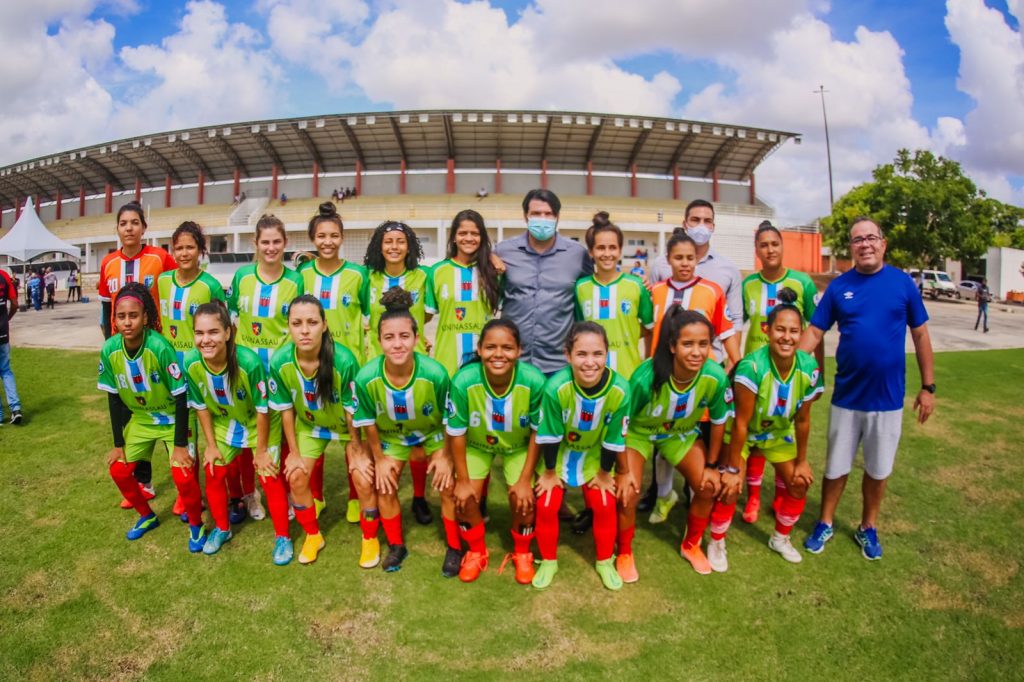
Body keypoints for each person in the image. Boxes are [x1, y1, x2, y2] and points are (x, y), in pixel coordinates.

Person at [800, 217, 935, 560]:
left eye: (871, 238)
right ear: (851, 248)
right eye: (858, 240)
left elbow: (920, 334)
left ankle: (867, 526)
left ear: (883, 243)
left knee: (878, 469)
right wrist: (787, 370)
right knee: (835, 467)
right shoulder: (839, 287)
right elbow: (814, 332)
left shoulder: (902, 284)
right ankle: (825, 522)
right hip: (847, 397)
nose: (865, 244)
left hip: (887, 400)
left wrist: (928, 387)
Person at [617, 308, 732, 579]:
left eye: (703, 344)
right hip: (638, 432)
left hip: (679, 433)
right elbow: (621, 424)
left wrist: (712, 466)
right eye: (687, 344)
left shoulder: (715, 376)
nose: (697, 352)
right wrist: (621, 471)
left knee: (708, 485)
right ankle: (624, 552)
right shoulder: (646, 376)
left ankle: (691, 545)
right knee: (628, 492)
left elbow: (719, 422)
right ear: (672, 346)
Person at [351, 288, 455, 575]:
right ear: (378, 340)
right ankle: (397, 545)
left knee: (448, 484)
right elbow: (368, 421)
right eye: (389, 337)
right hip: (392, 437)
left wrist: (446, 457)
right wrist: (380, 459)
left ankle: (454, 546)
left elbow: (450, 420)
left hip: (432, 433)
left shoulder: (435, 374)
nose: (397, 344)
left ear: (417, 338)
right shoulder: (367, 377)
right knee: (384, 484)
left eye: (404, 336)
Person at [98, 283, 206, 552]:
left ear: (145, 317)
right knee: (118, 469)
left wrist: (179, 445)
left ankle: (196, 526)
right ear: (114, 320)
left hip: (173, 417)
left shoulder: (159, 347)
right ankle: (147, 516)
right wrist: (118, 443)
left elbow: (181, 396)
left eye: (133, 315)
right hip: (142, 419)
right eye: (121, 316)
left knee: (183, 475)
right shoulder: (109, 349)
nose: (127, 322)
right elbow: (113, 398)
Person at [184, 302, 293, 564]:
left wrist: (261, 451)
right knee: (213, 470)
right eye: (199, 333)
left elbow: (263, 410)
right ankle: (223, 529)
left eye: (213, 332)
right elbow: (201, 407)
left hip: (259, 423)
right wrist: (211, 445)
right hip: (226, 422)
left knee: (268, 474)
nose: (206, 340)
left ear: (227, 333)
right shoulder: (190, 362)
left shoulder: (248, 362)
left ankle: (283, 537)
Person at [721, 288, 821, 565]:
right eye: (780, 329)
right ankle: (717, 542)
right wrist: (732, 469)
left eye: (793, 331)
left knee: (799, 483)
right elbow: (741, 423)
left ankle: (780, 538)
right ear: (767, 331)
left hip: (777, 433)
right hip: (744, 433)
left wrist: (802, 461)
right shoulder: (751, 367)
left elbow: (803, 419)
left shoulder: (809, 367)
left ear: (801, 333)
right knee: (730, 487)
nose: (787, 337)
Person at [647, 230, 740, 523]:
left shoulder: (711, 291)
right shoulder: (655, 291)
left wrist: (735, 363)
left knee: (695, 441)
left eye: (690, 257)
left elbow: (726, 330)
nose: (685, 263)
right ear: (668, 260)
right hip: (663, 381)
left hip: (699, 385)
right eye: (679, 257)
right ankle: (663, 496)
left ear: (697, 260)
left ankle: (693, 494)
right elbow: (648, 330)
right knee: (662, 444)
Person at [532, 322, 631, 591]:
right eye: (581, 354)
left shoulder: (620, 389)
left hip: (594, 455)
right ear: (568, 355)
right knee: (546, 506)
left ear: (607, 354)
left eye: (597, 354)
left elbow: (614, 439)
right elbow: (550, 435)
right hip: (560, 454)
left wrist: (604, 474)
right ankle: (548, 561)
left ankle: (604, 561)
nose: (590, 362)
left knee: (605, 504)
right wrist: (549, 473)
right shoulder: (556, 387)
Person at [447, 319, 546, 583]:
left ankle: (522, 553)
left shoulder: (534, 380)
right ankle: (476, 552)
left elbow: (537, 433)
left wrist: (525, 479)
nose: (498, 354)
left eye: (507, 347)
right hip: (477, 444)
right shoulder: (463, 381)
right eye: (490, 347)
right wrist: (463, 481)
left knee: (523, 500)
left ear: (519, 350)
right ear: (479, 349)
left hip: (518, 446)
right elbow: (456, 433)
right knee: (464, 499)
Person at [738, 221, 823, 524]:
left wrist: (818, 370)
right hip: (756, 374)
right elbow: (738, 323)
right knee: (754, 434)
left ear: (782, 245)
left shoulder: (802, 282)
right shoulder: (748, 284)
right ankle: (753, 498)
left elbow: (817, 328)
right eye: (763, 245)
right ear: (757, 249)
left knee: (782, 431)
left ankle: (778, 496)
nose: (770, 249)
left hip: (789, 373)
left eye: (774, 243)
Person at [268, 295, 363, 566]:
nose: (304, 330)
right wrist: (293, 452)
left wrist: (357, 449)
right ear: (288, 326)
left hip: (345, 427)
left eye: (312, 322)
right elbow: (286, 410)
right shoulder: (280, 361)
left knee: (363, 476)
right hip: (311, 427)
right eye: (297, 323)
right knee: (296, 476)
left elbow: (352, 411)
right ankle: (313, 535)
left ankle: (370, 538)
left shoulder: (344, 360)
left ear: (324, 324)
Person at [98, 202, 178, 505]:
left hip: (155, 351)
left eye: (135, 222)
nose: (129, 228)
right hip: (123, 353)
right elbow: (106, 309)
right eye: (123, 223)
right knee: (133, 415)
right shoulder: (108, 262)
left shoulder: (160, 258)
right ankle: (144, 482)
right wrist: (109, 345)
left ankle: (182, 481)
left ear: (144, 227)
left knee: (168, 411)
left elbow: (175, 290)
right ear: (117, 228)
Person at [228, 215, 304, 524]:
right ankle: (250, 494)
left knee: (283, 437)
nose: (271, 248)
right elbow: (233, 321)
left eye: (276, 242)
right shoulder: (242, 277)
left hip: (279, 374)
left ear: (285, 243)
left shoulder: (296, 281)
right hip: (245, 372)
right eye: (265, 242)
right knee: (247, 437)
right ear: (255, 244)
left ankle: (286, 492)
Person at [298, 202, 370, 524]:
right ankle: (316, 496)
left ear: (342, 238)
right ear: (313, 239)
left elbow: (370, 314)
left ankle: (355, 497)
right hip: (311, 365)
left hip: (349, 368)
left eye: (334, 235)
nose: (328, 241)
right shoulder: (302, 275)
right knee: (314, 428)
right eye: (321, 236)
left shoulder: (358, 275)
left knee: (353, 434)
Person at [362, 220, 435, 525]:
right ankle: (377, 491)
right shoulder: (367, 278)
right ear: (379, 246)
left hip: (413, 365)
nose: (394, 246)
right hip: (377, 366)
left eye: (400, 241)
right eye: (388, 241)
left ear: (409, 246)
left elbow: (425, 314)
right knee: (377, 432)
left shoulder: (423, 276)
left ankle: (418, 497)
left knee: (417, 440)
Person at [158, 221, 227, 520]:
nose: (184, 253)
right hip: (170, 368)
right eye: (179, 247)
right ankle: (186, 491)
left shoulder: (209, 285)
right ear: (172, 250)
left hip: (200, 367)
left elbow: (223, 326)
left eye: (190, 247)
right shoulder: (162, 281)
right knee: (180, 430)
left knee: (208, 427)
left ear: (200, 250)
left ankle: (220, 489)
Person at [495, 189, 593, 377]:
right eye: (536, 213)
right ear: (525, 216)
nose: (542, 219)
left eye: (548, 214)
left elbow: (596, 284)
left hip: (559, 364)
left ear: (557, 217)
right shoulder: (503, 251)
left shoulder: (577, 254)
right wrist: (488, 256)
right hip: (513, 361)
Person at [574, 211, 653, 380]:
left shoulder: (637, 285)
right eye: (601, 248)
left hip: (629, 375)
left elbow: (650, 328)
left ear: (620, 250)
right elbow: (580, 329)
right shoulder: (580, 288)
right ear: (591, 252)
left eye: (612, 247)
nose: (607, 253)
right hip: (592, 376)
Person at [426, 209, 502, 377]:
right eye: (462, 233)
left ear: (482, 237)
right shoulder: (436, 272)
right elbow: (425, 315)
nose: (468, 238)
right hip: (447, 360)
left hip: (485, 360)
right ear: (454, 237)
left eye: (475, 233)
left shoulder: (493, 272)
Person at [0, 267, 22, 425]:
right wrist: (7, 319)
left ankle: (0, 415)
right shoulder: (4, 276)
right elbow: (14, 303)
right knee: (6, 370)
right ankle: (16, 409)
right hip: (2, 331)